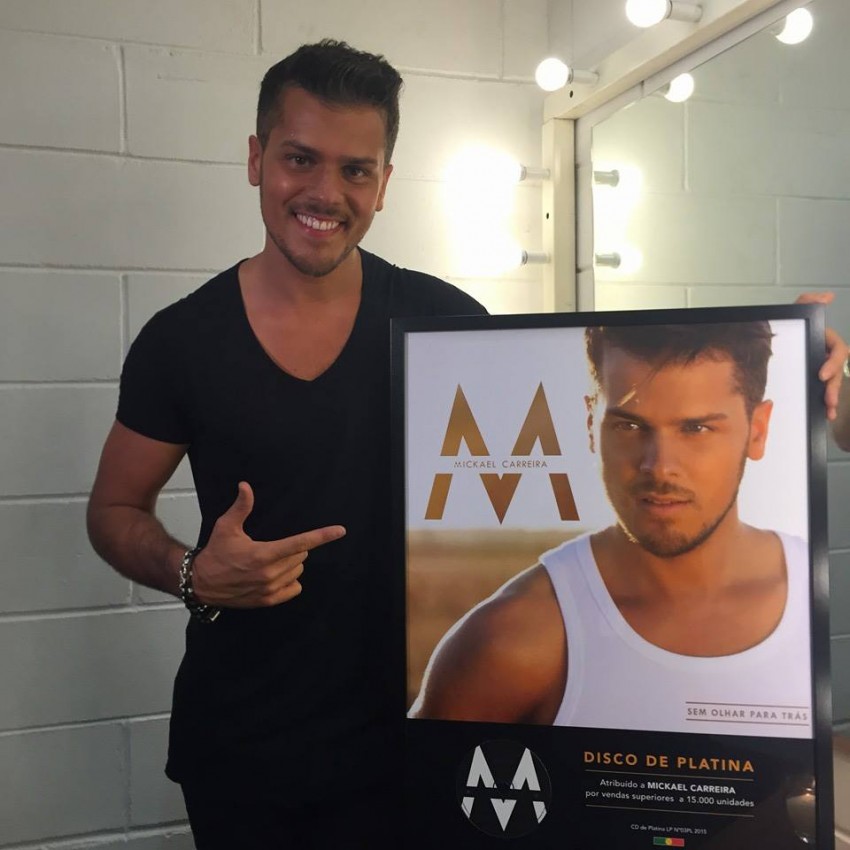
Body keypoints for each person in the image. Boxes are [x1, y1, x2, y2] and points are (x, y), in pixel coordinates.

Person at [86, 40, 485, 849]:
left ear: (384, 184)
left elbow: (558, 468)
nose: (325, 193)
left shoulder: (451, 324)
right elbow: (113, 511)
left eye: (355, 170)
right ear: (256, 159)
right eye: (300, 159)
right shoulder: (181, 341)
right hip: (245, 752)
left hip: (416, 749)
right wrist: (194, 572)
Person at [410, 321, 816, 737]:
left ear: (758, 430)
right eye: (629, 426)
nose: (659, 467)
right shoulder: (515, 637)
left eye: (696, 429)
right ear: (592, 423)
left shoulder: (821, 594)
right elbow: (423, 777)